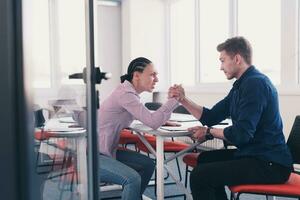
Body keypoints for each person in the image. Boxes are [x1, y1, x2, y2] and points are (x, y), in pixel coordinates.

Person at [169, 36, 293, 200]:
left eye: (222, 60)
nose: (220, 67)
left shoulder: (255, 84)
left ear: (237, 59)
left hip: (269, 163)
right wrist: (183, 100)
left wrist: (209, 132)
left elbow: (241, 134)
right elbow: (211, 116)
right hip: (253, 154)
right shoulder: (241, 85)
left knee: (201, 176)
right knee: (205, 160)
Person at [98, 57, 179, 200]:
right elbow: (152, 121)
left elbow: (141, 116)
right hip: (93, 156)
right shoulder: (125, 94)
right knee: (133, 179)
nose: (156, 79)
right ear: (136, 75)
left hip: (107, 151)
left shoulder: (127, 92)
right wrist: (174, 100)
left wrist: (162, 120)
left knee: (147, 164)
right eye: (152, 74)